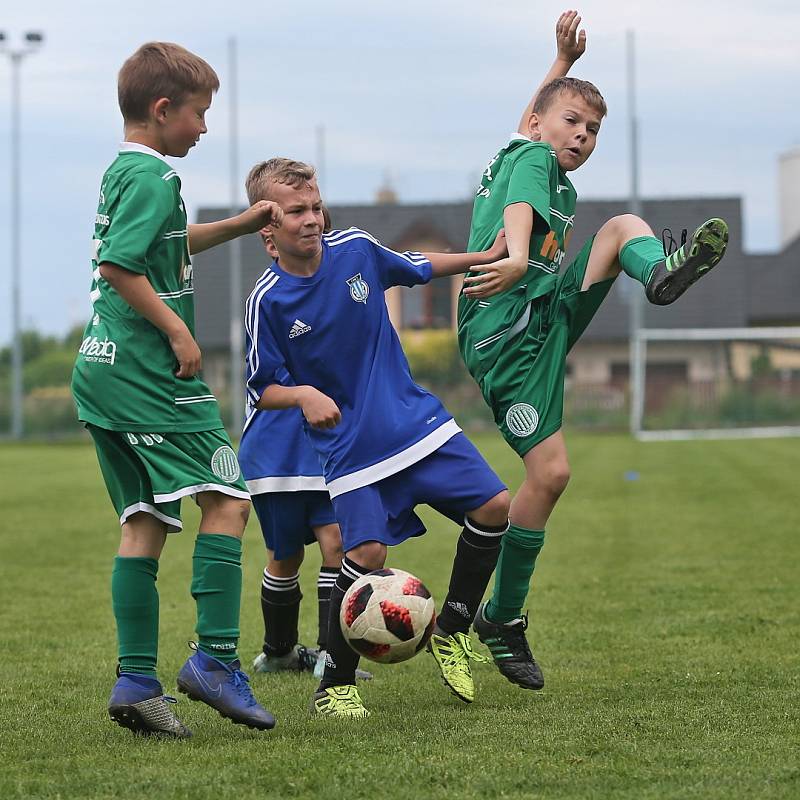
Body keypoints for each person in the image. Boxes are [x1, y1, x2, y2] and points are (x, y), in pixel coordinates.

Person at [457, 11, 730, 690]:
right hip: (507, 335)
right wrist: (518, 256)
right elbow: (521, 201)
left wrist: (559, 63)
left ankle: (659, 271)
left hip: (542, 309)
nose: (582, 134)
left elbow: (534, 118)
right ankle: (502, 618)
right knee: (548, 476)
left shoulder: (528, 147)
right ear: (541, 127)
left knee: (619, 226)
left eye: (592, 129)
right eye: (573, 122)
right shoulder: (528, 159)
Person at [243, 158, 511, 717]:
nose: (312, 218)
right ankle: (335, 686)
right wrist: (302, 396)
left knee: (494, 506)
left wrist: (483, 257)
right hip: (352, 451)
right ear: (267, 231)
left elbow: (417, 266)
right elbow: (262, 385)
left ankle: (454, 628)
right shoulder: (267, 301)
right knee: (363, 553)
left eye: (316, 206)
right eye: (296, 211)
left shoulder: (358, 250)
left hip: (413, 423)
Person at [71, 41, 282, 737]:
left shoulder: (126, 170)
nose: (203, 127)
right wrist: (179, 332)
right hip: (144, 371)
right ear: (163, 110)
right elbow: (119, 267)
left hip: (103, 369)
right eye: (198, 113)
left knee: (146, 520)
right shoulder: (156, 177)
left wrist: (241, 226)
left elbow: (161, 247)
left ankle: (136, 684)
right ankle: (215, 662)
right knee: (229, 500)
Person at [239, 218, 370, 681]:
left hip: (329, 448)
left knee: (338, 542)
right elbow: (261, 385)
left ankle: (330, 656)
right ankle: (279, 652)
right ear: (271, 241)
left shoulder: (341, 284)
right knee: (287, 555)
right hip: (277, 454)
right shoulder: (268, 299)